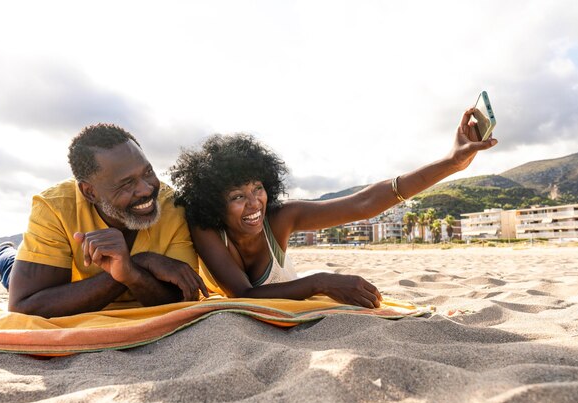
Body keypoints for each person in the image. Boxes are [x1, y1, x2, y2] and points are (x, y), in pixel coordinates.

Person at [169, 108, 497, 308]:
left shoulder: (281, 218)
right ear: (214, 201)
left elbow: (365, 203)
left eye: (258, 188)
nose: (255, 202)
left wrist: (452, 163)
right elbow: (241, 295)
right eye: (237, 196)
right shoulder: (207, 229)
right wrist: (321, 281)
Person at [0, 124, 208, 318]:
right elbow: (25, 307)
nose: (146, 189)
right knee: (10, 268)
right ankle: (0, 252)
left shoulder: (171, 205)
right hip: (47, 275)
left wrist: (130, 273)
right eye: (126, 184)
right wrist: (141, 263)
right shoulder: (54, 207)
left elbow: (183, 298)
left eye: (148, 172)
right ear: (89, 192)